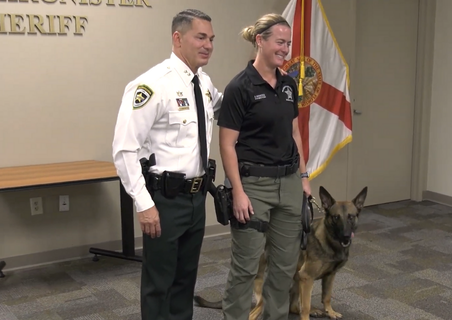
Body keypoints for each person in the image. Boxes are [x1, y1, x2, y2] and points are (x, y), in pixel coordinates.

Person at [112, 9, 222, 320]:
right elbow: (124, 150)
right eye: (200, 37)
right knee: (159, 284)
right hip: (164, 201)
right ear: (178, 38)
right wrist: (143, 204)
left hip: (197, 197)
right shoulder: (151, 85)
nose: (208, 45)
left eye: (211, 39)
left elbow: (225, 106)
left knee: (185, 281)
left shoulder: (203, 83)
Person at [216, 13, 312, 320]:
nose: (285, 49)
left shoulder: (288, 84)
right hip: (253, 186)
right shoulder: (239, 87)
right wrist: (239, 192)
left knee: (284, 267)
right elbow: (227, 144)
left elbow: (295, 133)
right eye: (279, 42)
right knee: (245, 268)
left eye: (288, 43)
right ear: (260, 41)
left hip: (289, 184)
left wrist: (304, 176)